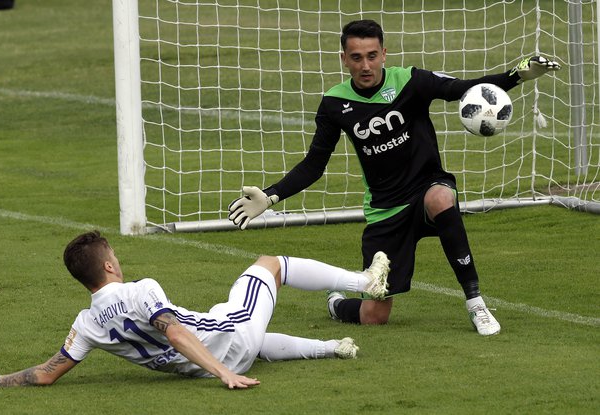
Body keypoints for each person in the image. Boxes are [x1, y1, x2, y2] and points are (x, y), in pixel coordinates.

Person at [228, 19, 561, 335]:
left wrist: (517, 76)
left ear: (384, 54)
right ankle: (337, 303)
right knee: (375, 316)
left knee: (441, 197)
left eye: (372, 56)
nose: (365, 66)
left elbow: (462, 88)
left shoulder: (410, 81)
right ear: (344, 59)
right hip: (386, 211)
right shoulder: (334, 103)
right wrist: (270, 196)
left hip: (426, 188)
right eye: (356, 58)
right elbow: (315, 164)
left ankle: (475, 303)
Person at [0, 230, 391, 389]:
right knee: (270, 264)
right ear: (109, 265)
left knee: (239, 324)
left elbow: (45, 374)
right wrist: (225, 374)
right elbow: (174, 331)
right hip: (228, 341)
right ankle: (364, 283)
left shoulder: (85, 325)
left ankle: (333, 347)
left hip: (205, 360)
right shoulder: (141, 290)